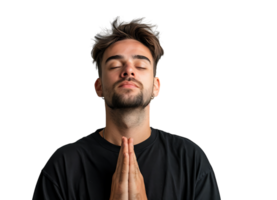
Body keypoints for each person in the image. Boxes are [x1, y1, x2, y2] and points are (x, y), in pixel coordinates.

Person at [32, 15, 222, 200]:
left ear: (157, 86)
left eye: (140, 65)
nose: (128, 70)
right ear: (98, 86)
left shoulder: (190, 160)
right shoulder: (63, 165)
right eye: (115, 65)